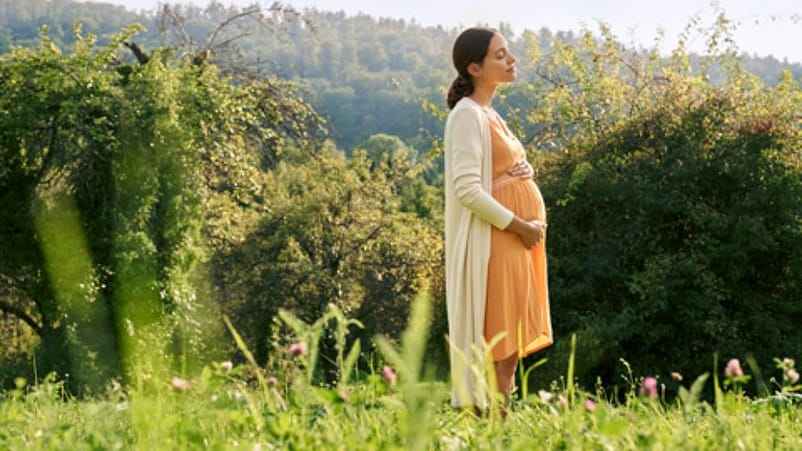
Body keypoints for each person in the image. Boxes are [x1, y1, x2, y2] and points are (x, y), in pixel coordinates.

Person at [443, 27, 552, 411]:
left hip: (514, 241)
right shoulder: (467, 115)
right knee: (498, 346)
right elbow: (468, 190)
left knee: (509, 351)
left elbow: (497, 168)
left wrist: (521, 172)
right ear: (475, 67)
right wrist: (521, 226)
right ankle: (489, 429)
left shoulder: (489, 113)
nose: (511, 60)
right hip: (499, 240)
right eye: (500, 55)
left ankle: (497, 430)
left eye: (509, 52)